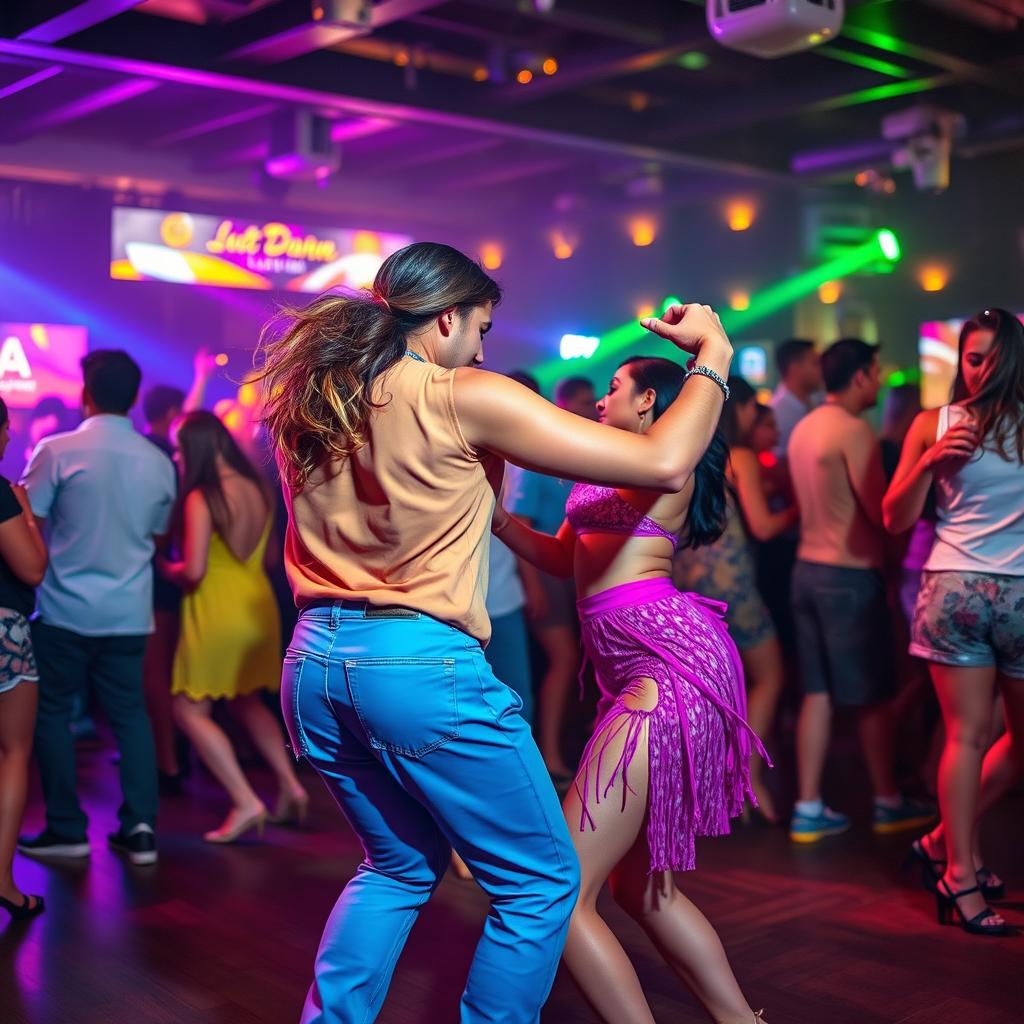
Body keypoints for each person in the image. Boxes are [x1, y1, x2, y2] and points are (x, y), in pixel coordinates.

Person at [258, 241, 736, 1024]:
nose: (482, 349)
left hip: (312, 665)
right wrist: (714, 353)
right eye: (479, 329)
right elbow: (664, 460)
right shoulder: (458, 394)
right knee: (543, 881)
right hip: (416, 666)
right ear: (445, 318)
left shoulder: (317, 399)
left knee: (398, 866)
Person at [497, 352, 766, 1024]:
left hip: (667, 671)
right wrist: (497, 522)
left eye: (615, 388)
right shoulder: (619, 461)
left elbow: (564, 451)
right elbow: (565, 557)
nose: (600, 399)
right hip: (644, 675)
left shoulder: (656, 463)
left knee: (559, 891)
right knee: (643, 889)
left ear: (649, 401)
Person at [883, 309, 1024, 937]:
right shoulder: (932, 423)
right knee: (965, 736)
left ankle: (941, 839)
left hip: (1021, 592)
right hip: (956, 589)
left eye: (993, 356)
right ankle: (961, 873)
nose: (981, 368)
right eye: (972, 356)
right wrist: (930, 460)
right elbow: (893, 517)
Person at [17, 350, 176, 866]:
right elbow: (158, 537)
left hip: (63, 609)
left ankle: (67, 827)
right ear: (132, 398)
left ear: (85, 393)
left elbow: (28, 525)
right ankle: (141, 829)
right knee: (131, 716)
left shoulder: (57, 450)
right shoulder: (158, 460)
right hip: (129, 611)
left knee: (53, 715)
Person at [787, 339, 934, 844]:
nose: (879, 379)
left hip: (805, 570)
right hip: (849, 576)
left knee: (818, 693)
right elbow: (882, 513)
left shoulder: (806, 427)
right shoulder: (853, 431)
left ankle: (808, 805)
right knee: (872, 696)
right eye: (876, 371)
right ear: (859, 377)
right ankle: (888, 800)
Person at [157, 411, 307, 843]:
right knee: (247, 700)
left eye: (179, 449)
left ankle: (245, 800)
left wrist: (166, 568)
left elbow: (196, 570)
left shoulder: (203, 496)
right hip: (256, 603)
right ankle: (291, 786)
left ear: (194, 449)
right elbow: (265, 556)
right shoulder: (258, 487)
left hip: (215, 608)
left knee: (187, 709)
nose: (176, 456)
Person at [674, 376, 797, 824]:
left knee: (710, 689)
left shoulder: (691, 449)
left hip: (687, 585)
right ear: (739, 408)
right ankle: (748, 779)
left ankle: (706, 787)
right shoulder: (738, 454)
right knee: (769, 674)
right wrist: (800, 506)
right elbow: (763, 528)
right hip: (733, 585)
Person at [505, 375, 588, 783]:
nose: (593, 407)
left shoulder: (561, 447)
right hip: (543, 573)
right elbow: (519, 521)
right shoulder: (531, 456)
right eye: (587, 399)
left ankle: (554, 751)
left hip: (563, 571)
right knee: (561, 660)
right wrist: (533, 584)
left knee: (564, 663)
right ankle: (549, 755)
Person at [0, 398, 48, 921]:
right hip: (3, 628)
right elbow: (32, 569)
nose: (10, 438)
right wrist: (28, 514)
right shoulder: (2, 493)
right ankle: (4, 883)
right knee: (13, 751)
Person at [770, 338, 821, 458]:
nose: (821, 370)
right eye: (815, 363)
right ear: (795, 368)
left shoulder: (820, 402)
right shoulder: (775, 413)